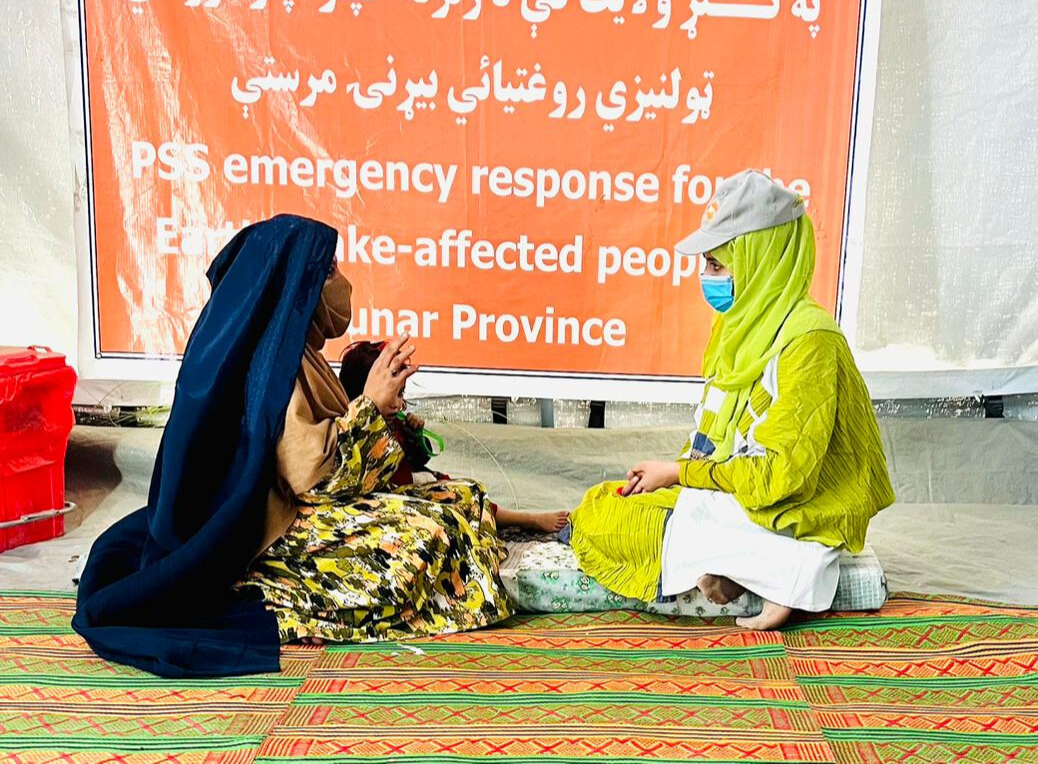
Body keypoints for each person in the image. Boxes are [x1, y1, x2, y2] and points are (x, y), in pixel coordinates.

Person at [73, 215, 511, 677]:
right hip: (275, 528)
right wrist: (372, 405)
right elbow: (313, 480)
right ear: (294, 280)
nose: (341, 284)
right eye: (329, 272)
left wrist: (381, 412)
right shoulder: (274, 367)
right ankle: (286, 595)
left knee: (461, 499)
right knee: (433, 532)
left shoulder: (299, 352)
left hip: (302, 506)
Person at [565, 170, 895, 630]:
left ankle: (792, 570)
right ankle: (749, 568)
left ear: (761, 259)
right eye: (706, 266)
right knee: (604, 502)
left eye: (718, 266)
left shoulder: (808, 341)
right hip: (743, 500)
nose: (707, 279)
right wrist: (677, 476)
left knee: (611, 522)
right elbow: (717, 440)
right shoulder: (740, 329)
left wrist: (681, 475)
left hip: (793, 511)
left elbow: (783, 479)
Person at [338, 340, 570, 533]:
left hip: (413, 488)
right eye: (393, 394)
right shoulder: (353, 431)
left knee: (468, 490)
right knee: (460, 500)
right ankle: (524, 520)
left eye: (402, 394)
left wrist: (414, 436)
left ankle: (516, 518)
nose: (400, 404)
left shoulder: (393, 422)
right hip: (387, 508)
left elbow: (419, 460)